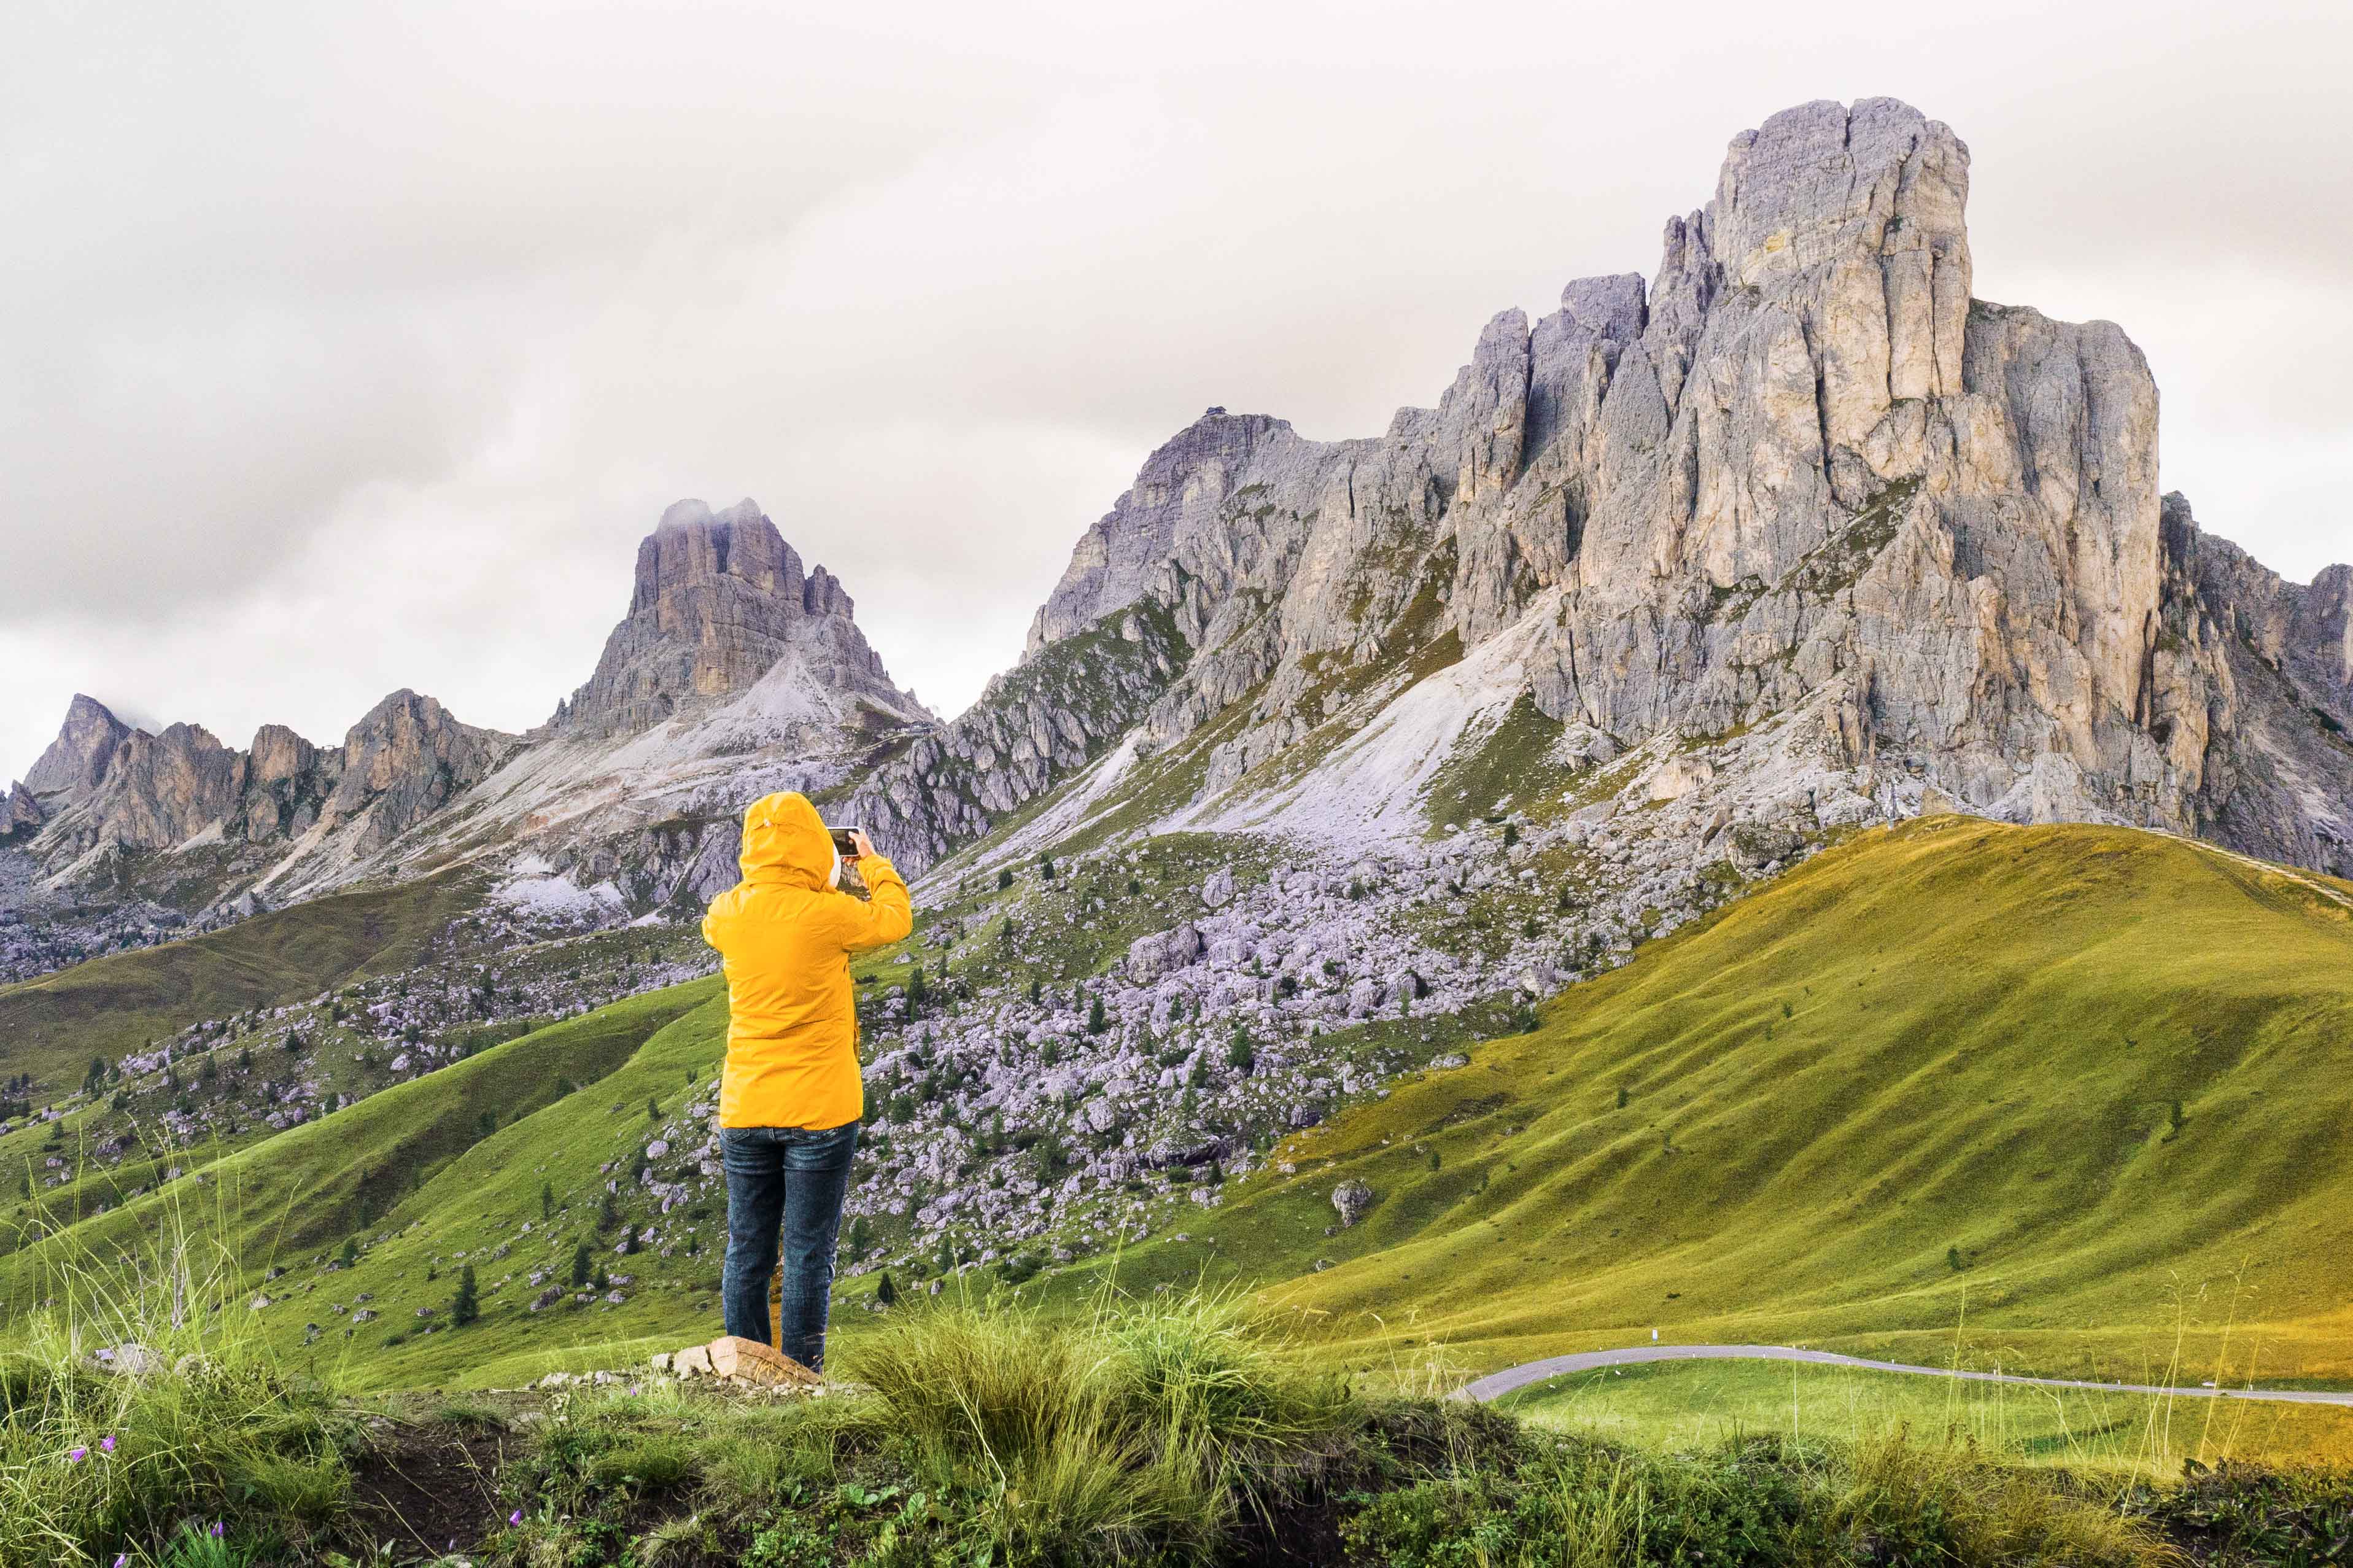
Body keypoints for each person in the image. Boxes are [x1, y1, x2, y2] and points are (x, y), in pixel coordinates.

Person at [700, 791, 911, 1373]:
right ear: (816, 846)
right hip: (820, 1109)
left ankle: (744, 1377)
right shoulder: (829, 914)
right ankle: (800, 1381)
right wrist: (868, 864)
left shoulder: (728, 913)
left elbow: (716, 920)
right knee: (806, 1253)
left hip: (745, 1108)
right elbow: (895, 919)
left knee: (748, 1250)